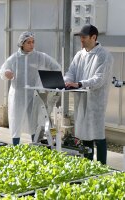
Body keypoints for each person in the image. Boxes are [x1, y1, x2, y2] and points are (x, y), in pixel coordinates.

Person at [0, 31, 61, 145]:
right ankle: (16, 145)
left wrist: (48, 82)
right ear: (22, 43)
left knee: (35, 121)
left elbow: (56, 67)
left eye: (33, 42)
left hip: (35, 94)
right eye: (28, 42)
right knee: (16, 119)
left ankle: (35, 143)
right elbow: (3, 70)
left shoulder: (40, 57)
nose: (32, 45)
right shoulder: (14, 58)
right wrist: (6, 73)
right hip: (18, 95)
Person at [64, 24, 113, 165]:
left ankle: (102, 167)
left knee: (97, 134)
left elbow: (99, 79)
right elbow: (71, 71)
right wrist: (67, 81)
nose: (81, 40)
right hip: (81, 99)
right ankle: (88, 166)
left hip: (95, 101)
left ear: (94, 37)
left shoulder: (103, 55)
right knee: (85, 134)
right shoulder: (80, 54)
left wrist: (79, 83)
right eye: (80, 37)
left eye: (84, 37)